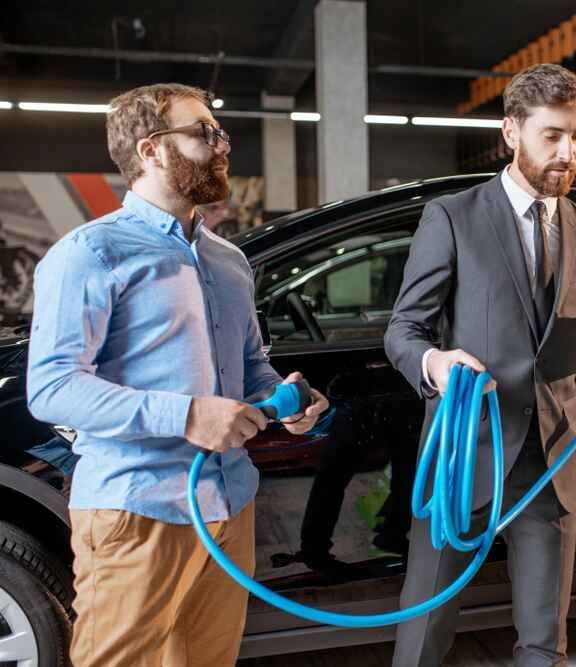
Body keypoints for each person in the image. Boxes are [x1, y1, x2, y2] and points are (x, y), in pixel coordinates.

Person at [26, 83, 328, 667]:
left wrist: (284, 400)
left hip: (228, 505)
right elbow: (53, 386)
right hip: (136, 512)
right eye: (203, 133)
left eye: (219, 133)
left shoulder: (228, 260)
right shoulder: (90, 253)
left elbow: (248, 369)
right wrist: (187, 414)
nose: (222, 145)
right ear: (151, 150)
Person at [384, 63, 576, 666]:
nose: (568, 152)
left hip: (549, 465)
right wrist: (434, 363)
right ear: (511, 132)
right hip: (463, 458)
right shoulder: (452, 216)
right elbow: (403, 329)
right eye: (551, 135)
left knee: (544, 643)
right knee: (423, 636)